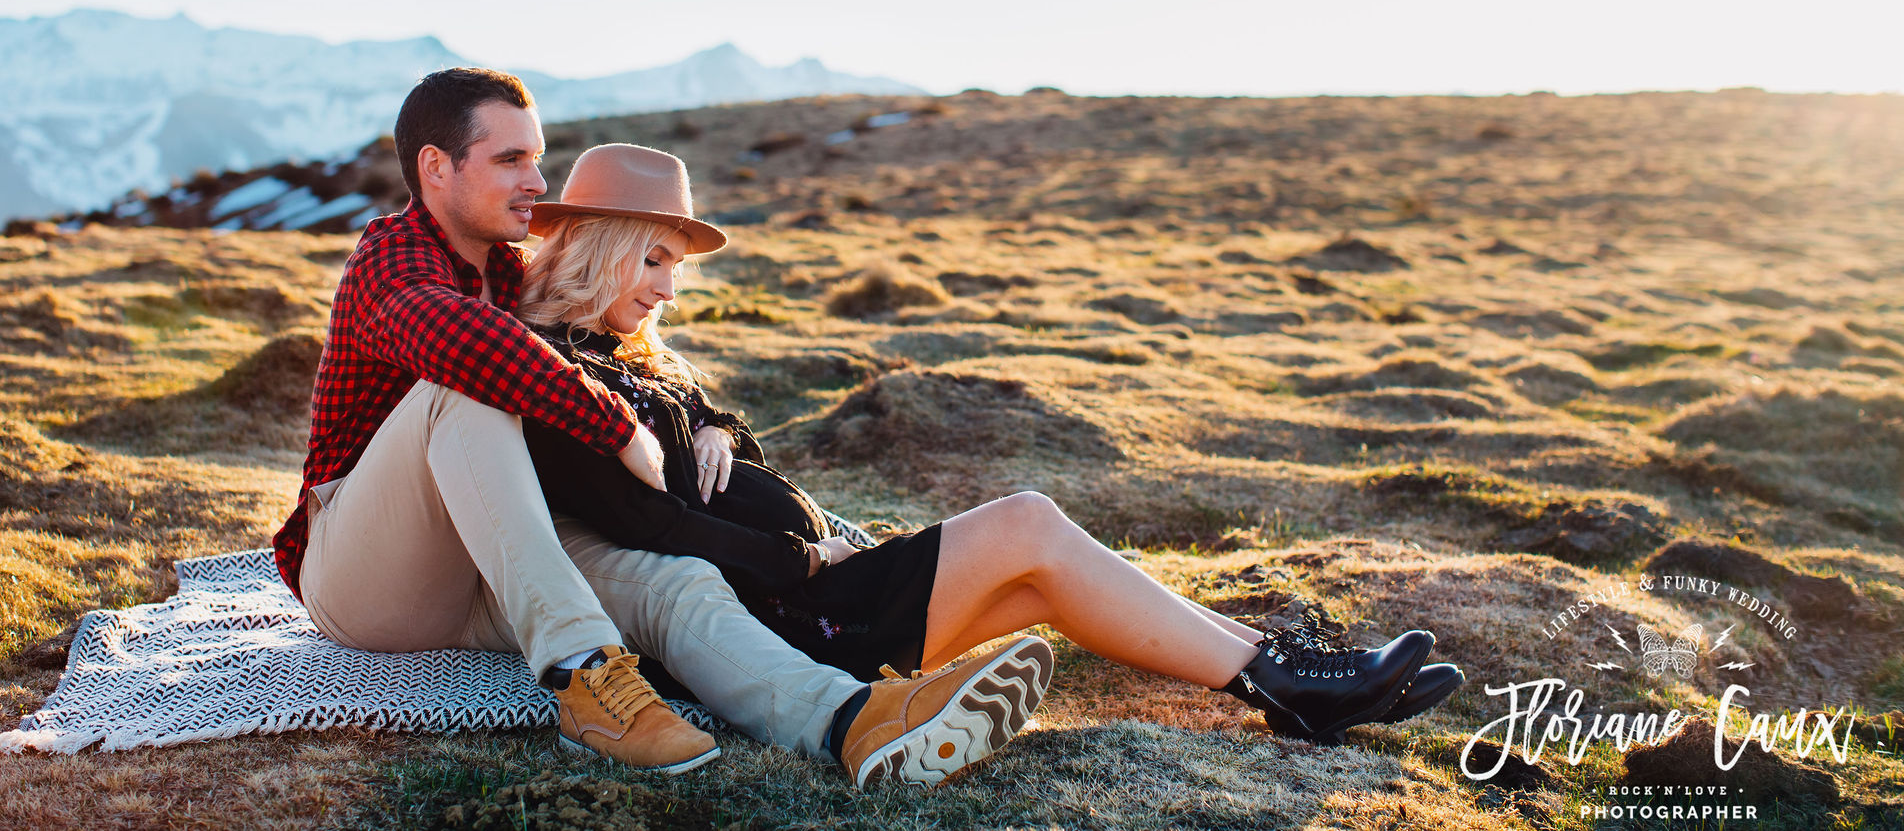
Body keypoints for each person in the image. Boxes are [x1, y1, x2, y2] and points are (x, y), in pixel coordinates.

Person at [519, 143, 1467, 746]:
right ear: (599, 243)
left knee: (1042, 577)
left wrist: (720, 425)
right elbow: (647, 524)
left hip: (814, 588)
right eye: (653, 260)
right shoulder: (557, 372)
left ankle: (1290, 675)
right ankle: (1293, 677)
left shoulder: (636, 358)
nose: (669, 289)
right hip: (790, 612)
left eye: (674, 266)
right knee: (1027, 524)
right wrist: (807, 551)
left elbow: (721, 452)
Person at [276, 68, 1052, 788]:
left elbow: (621, 354)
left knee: (678, 582)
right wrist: (613, 425)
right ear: (436, 167)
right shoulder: (391, 257)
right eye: (511, 159)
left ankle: (850, 719)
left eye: (538, 158)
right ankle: (583, 670)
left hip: (487, 568)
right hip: (368, 572)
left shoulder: (512, 274)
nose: (536, 181)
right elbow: (458, 340)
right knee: (467, 389)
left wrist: (708, 418)